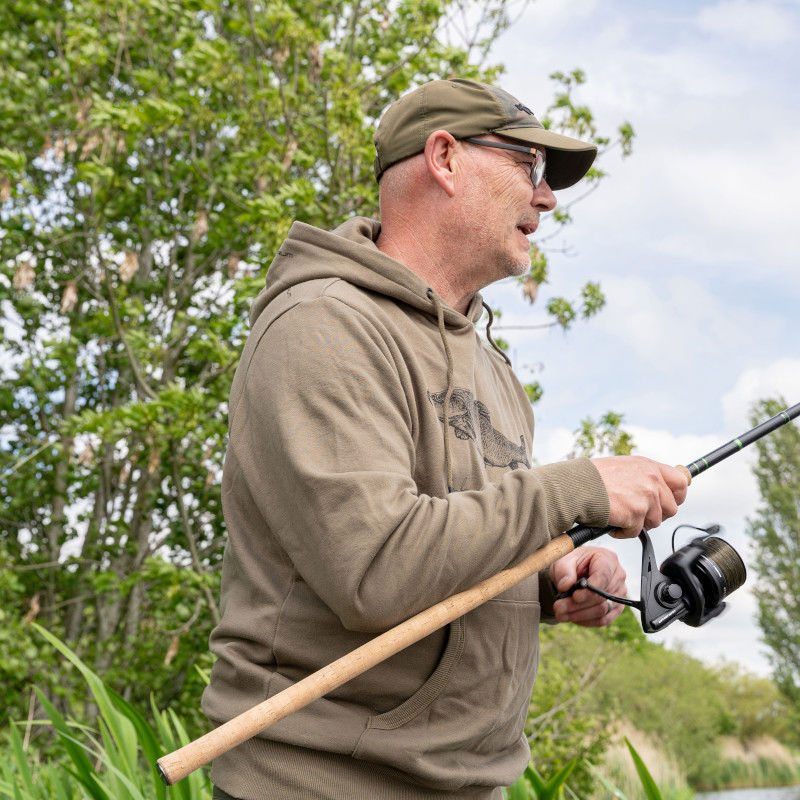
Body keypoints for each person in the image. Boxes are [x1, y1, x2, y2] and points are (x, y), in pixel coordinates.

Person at [202, 78, 688, 800]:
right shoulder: (322, 326)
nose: (547, 198)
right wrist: (577, 487)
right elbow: (376, 570)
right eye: (529, 167)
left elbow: (457, 549)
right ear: (445, 158)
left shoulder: (493, 371)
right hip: (319, 784)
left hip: (465, 785)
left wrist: (550, 586)